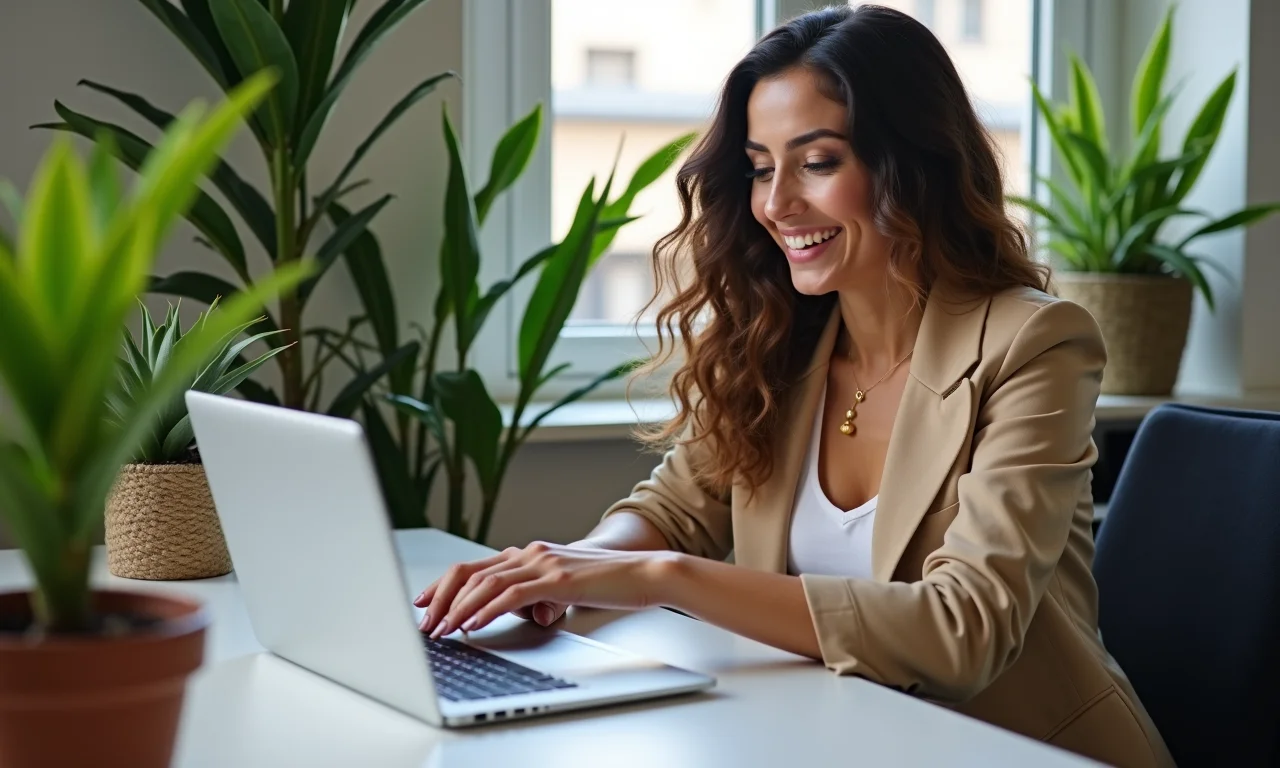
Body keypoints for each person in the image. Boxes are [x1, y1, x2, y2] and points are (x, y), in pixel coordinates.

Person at [415, 5, 1173, 766]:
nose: (777, 204)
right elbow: (679, 510)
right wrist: (565, 569)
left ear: (916, 164)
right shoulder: (783, 339)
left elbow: (962, 630)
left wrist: (653, 579)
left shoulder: (1033, 341)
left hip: (1017, 750)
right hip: (838, 740)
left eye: (817, 162)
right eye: (760, 166)